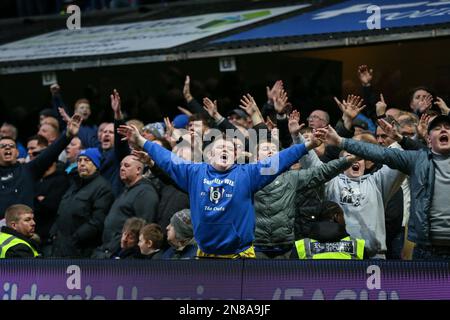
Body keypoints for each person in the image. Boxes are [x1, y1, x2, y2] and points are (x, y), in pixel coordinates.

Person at [118, 121, 321, 258]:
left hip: (240, 256)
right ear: (208, 155)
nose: (225, 150)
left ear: (236, 156)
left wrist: (307, 145)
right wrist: (142, 141)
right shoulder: (194, 172)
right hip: (205, 255)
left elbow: (280, 159)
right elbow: (166, 158)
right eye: (220, 148)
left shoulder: (247, 174)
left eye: (230, 149)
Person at [315, 114, 450, 259]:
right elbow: (381, 153)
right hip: (427, 248)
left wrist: (402, 139)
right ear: (429, 140)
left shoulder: (377, 181)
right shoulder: (417, 160)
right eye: (437, 128)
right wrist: (341, 141)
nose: (443, 130)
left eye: (448, 128)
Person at [0, 114, 82, 219]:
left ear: (17, 152)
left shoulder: (28, 170)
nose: (7, 148)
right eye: (2, 146)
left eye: (11, 146)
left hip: (23, 231)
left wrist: (67, 136)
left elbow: (50, 153)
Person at [49, 148, 114, 258]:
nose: (82, 164)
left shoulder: (103, 188)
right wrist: (54, 232)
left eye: (87, 160)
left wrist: (75, 238)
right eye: (79, 160)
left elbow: (97, 221)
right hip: (60, 246)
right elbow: (62, 211)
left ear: (96, 165)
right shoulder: (74, 185)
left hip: (82, 250)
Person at [92, 155, 159, 258]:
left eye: (127, 165)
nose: (122, 168)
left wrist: (123, 249)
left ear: (138, 170)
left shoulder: (145, 192)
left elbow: (144, 226)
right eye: (121, 165)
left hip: (124, 254)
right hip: (110, 250)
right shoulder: (127, 190)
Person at [290, 201, 365, 259]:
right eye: (342, 215)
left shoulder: (301, 247)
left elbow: (292, 276)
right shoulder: (357, 246)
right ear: (336, 216)